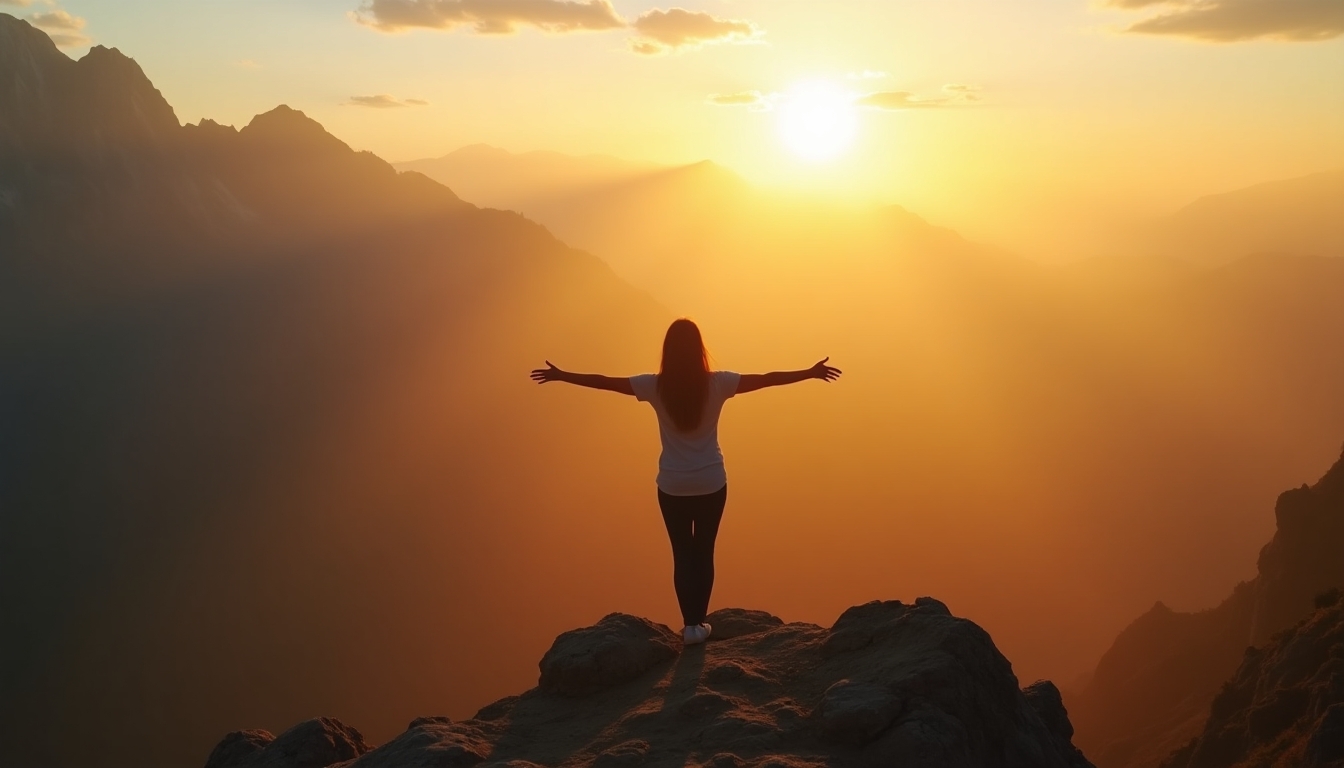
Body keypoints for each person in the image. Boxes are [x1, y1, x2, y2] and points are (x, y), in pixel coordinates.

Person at [530, 318, 841, 646]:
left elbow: (605, 382)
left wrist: (562, 375)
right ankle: (699, 625)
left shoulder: (654, 386)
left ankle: (689, 626)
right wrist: (809, 372)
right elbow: (767, 380)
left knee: (682, 554)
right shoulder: (718, 383)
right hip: (711, 482)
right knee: (704, 553)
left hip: (672, 486)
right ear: (699, 350)